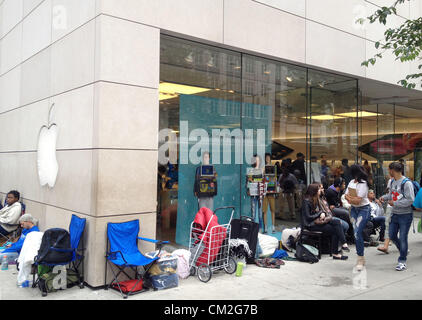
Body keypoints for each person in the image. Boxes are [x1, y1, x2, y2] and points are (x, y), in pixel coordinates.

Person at [380, 162, 414, 271]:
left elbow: (410, 200)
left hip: (405, 215)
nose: (388, 172)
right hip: (395, 214)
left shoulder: (407, 183)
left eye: (389, 170)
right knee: (392, 235)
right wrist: (384, 198)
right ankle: (403, 250)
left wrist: (395, 203)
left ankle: (402, 260)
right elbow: (392, 194)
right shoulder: (393, 181)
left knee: (403, 237)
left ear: (392, 170)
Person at [301, 184, 348, 260]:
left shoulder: (317, 199)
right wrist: (320, 214)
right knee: (335, 230)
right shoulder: (306, 201)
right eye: (318, 190)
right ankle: (338, 251)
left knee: (337, 222)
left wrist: (323, 213)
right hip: (310, 225)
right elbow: (308, 217)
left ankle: (343, 244)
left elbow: (323, 211)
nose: (320, 191)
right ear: (314, 191)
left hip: (318, 221)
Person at [345, 164, 370, 271]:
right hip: (354, 210)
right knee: (356, 233)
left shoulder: (364, 184)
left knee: (357, 232)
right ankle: (361, 257)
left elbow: (358, 200)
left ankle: (360, 258)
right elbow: (345, 195)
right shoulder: (351, 182)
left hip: (363, 209)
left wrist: (350, 198)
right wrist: (352, 199)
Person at [318, 184, 351, 252]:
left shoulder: (323, 197)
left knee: (345, 225)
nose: (323, 190)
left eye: (322, 188)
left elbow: (327, 206)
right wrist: (323, 214)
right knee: (341, 225)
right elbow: (319, 212)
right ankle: (340, 245)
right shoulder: (316, 199)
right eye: (321, 188)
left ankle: (339, 245)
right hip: (325, 219)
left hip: (329, 216)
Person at [325, 178, 355, 243]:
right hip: (331, 210)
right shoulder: (331, 191)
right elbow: (332, 204)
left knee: (350, 213)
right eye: (343, 184)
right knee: (346, 213)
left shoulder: (339, 191)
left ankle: (352, 235)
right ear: (339, 185)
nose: (345, 186)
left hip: (337, 207)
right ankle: (352, 236)